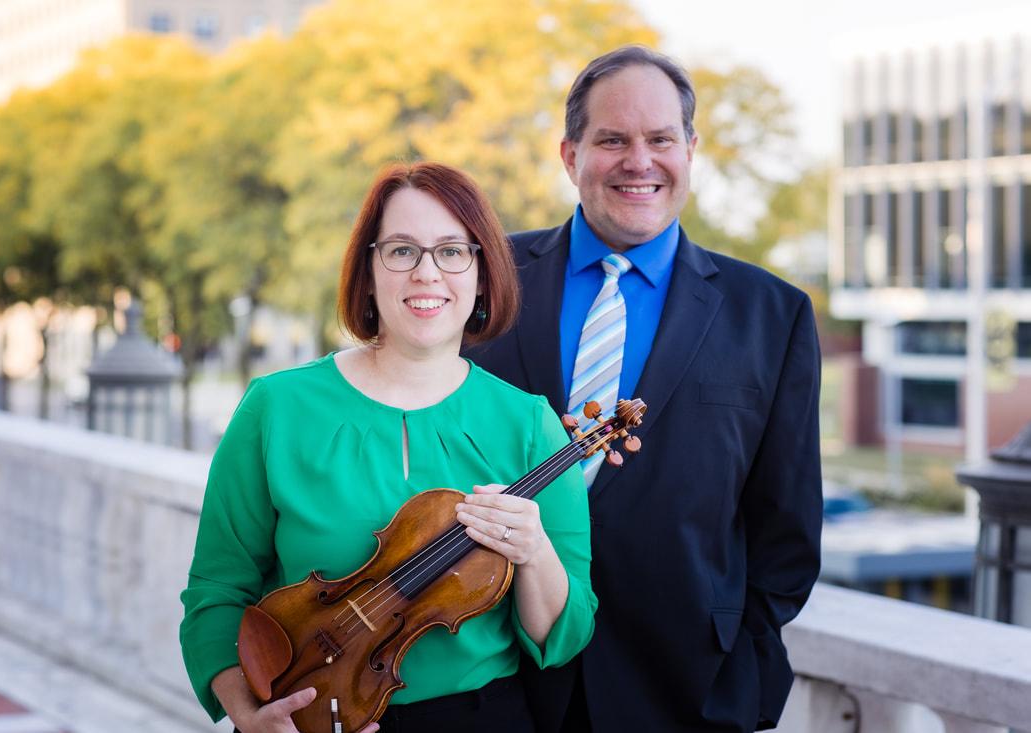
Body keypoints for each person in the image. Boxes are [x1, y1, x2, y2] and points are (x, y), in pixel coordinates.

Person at [465, 45, 823, 733]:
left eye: (660, 139)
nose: (639, 161)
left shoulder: (772, 315)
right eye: (612, 140)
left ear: (690, 150)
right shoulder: (481, 279)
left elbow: (789, 535)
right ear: (570, 156)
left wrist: (735, 667)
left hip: (687, 694)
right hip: (497, 681)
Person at [179, 162, 598, 733]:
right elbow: (217, 592)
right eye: (402, 251)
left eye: (452, 251)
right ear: (368, 272)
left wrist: (533, 549)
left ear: (481, 273)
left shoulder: (529, 424)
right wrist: (250, 716)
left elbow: (563, 635)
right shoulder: (276, 408)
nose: (427, 273)